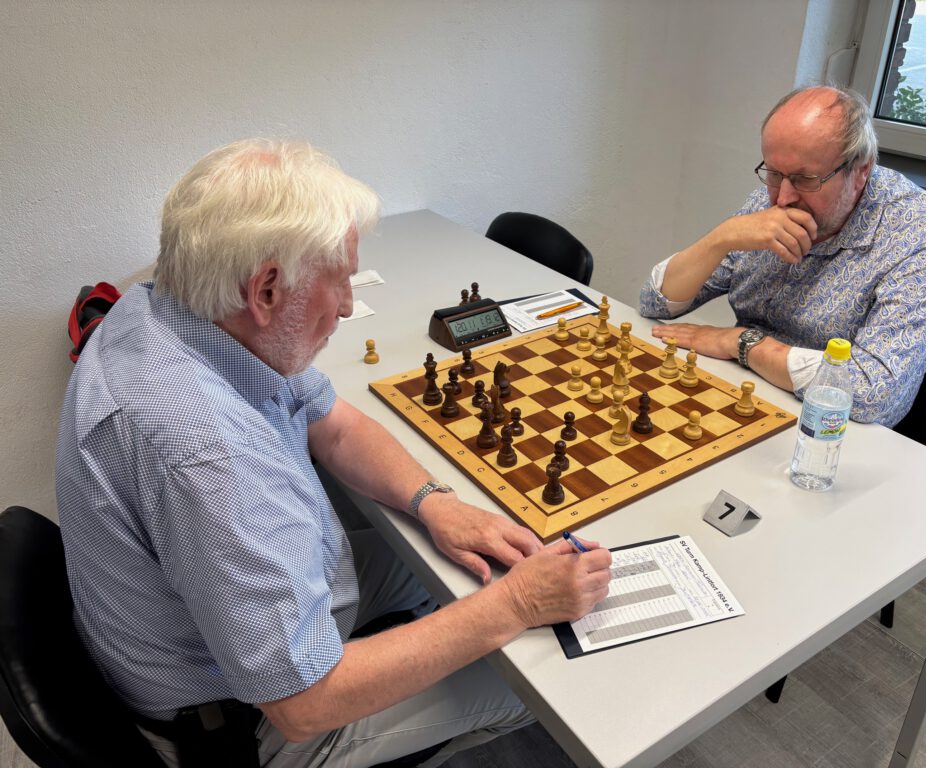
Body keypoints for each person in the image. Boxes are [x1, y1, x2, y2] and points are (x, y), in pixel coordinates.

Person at [55, 138, 612, 768]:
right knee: (540, 683)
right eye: (340, 278)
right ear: (267, 291)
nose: (349, 304)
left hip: (223, 627)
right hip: (240, 723)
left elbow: (336, 425)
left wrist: (435, 503)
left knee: (460, 572)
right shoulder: (209, 453)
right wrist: (517, 606)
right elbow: (305, 704)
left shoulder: (169, 309)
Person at [639, 86, 926, 426]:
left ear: (861, 170)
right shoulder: (770, 201)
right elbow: (654, 303)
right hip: (747, 394)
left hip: (831, 429)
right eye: (774, 174)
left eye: (805, 179)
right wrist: (722, 237)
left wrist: (741, 343)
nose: (782, 198)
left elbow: (871, 395)